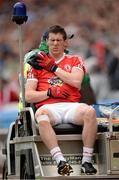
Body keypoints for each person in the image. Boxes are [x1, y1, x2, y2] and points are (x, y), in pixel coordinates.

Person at [25, 25, 97, 176]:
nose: (56, 43)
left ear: (66, 43)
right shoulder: (36, 64)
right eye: (52, 40)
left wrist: (53, 68)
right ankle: (61, 162)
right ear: (47, 42)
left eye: (59, 40)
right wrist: (50, 92)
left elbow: (76, 82)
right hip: (50, 108)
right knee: (41, 115)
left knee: (90, 112)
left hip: (72, 106)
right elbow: (29, 96)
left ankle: (87, 161)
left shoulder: (74, 60)